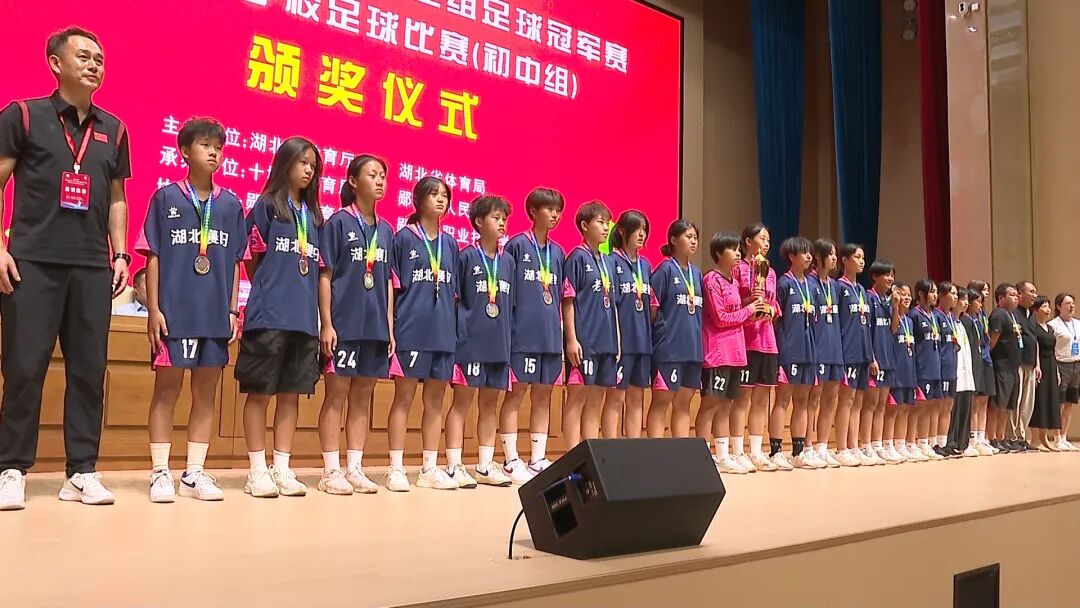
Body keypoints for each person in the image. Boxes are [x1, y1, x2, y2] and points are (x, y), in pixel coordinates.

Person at [0, 27, 133, 510]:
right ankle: (11, 468)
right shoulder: (22, 115)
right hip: (31, 263)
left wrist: (120, 254)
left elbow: (117, 198)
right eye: (84, 56)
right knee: (24, 368)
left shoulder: (115, 129)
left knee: (89, 373)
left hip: (92, 268)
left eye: (100, 58)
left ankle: (81, 472)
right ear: (55, 64)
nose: (95, 64)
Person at [138, 117, 246, 502]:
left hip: (214, 317)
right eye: (205, 145)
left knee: (206, 393)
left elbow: (236, 262)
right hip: (174, 314)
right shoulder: (166, 198)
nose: (214, 153)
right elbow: (153, 255)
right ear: (184, 151)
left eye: (218, 147)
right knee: (167, 390)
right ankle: (160, 472)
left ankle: (194, 473)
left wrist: (232, 311)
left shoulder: (230, 205)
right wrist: (154, 309)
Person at [237, 137, 324, 498]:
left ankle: (282, 468)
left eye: (313, 165)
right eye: (302, 162)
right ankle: (257, 470)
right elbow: (251, 258)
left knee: (291, 395)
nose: (308, 170)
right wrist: (270, 289)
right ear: (285, 163)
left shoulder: (314, 216)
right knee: (260, 394)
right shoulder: (267, 206)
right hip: (269, 316)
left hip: (303, 320)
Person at [315, 155, 394, 495]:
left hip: (375, 328)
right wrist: (327, 324)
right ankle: (330, 470)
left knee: (363, 398)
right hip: (343, 325)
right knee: (336, 395)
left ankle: (355, 468)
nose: (380, 181)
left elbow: (387, 281)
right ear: (352, 181)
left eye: (383, 176)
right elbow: (325, 275)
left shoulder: (386, 230)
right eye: (372, 175)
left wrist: (389, 328)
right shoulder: (338, 223)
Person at [386, 176, 459, 491]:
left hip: (442, 333)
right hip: (411, 331)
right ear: (417, 200)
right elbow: (392, 288)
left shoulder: (451, 244)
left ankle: (429, 467)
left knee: (435, 401)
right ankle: (396, 467)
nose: (441, 199)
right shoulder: (403, 238)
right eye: (433, 194)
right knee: (403, 398)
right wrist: (391, 330)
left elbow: (454, 293)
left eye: (445, 195)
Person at [444, 195, 515, 488]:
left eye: (504, 218)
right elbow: (454, 300)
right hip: (470, 343)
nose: (501, 223)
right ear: (478, 222)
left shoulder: (508, 261)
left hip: (499, 344)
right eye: (495, 217)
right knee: (462, 402)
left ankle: (485, 465)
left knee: (490, 404)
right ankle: (454, 465)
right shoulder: (465, 257)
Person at [499, 188, 565, 483]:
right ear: (533, 211)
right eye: (549, 209)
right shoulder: (516, 246)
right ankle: (510, 459)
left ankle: (537, 458)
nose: (554, 215)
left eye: (558, 210)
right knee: (516, 394)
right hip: (521, 335)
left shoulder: (558, 252)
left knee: (543, 395)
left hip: (549, 337)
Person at [701, 232, 762, 474]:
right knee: (710, 404)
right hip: (717, 352)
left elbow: (738, 315)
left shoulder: (734, 282)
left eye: (738, 249)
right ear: (718, 253)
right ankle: (702, 456)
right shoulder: (711, 280)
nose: (738, 253)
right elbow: (720, 318)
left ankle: (723, 456)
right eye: (732, 249)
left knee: (726, 404)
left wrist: (754, 309)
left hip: (736, 352)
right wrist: (749, 310)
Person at [562, 201, 618, 447]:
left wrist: (617, 343)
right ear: (585, 226)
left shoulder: (608, 262)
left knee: (597, 398)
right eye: (600, 222)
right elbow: (568, 301)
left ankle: (591, 453)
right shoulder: (576, 257)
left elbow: (612, 304)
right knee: (577, 398)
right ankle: (573, 454)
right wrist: (572, 340)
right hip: (585, 342)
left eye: (607, 223)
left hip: (607, 342)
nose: (606, 228)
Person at [647, 220, 704, 439]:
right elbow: (652, 309)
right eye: (688, 237)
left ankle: (681, 451)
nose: (693, 241)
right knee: (662, 401)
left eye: (695, 237)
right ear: (673, 240)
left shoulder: (696, 273)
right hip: (669, 349)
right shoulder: (665, 270)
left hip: (693, 349)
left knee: (684, 403)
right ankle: (657, 451)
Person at [732, 224, 780, 472]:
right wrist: (749, 301)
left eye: (769, 239)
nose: (767, 243)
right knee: (742, 398)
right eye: (762, 238)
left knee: (762, 399)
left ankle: (756, 450)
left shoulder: (770, 272)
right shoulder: (737, 268)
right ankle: (737, 451)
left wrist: (770, 310)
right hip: (746, 339)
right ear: (748, 241)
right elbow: (732, 301)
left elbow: (775, 304)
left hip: (767, 341)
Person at [605, 211, 654, 439]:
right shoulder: (611, 261)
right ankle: (610, 449)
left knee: (637, 398)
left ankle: (633, 448)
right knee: (616, 397)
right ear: (623, 231)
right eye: (637, 229)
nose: (642, 234)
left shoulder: (646, 265)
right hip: (621, 344)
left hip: (642, 343)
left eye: (645, 229)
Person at [771, 236, 815, 470]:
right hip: (789, 350)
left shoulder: (811, 286)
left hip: (808, 351)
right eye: (803, 252)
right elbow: (777, 319)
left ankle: (798, 452)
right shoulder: (783, 284)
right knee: (783, 399)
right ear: (791, 257)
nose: (809, 256)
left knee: (803, 401)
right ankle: (776, 451)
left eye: (810, 252)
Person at [836, 244, 876, 466]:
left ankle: (854, 446)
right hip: (847, 352)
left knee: (858, 400)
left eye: (863, 257)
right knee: (846, 399)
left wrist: (871, 356)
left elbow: (867, 326)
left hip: (863, 352)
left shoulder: (861, 290)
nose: (861, 261)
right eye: (857, 257)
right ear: (844, 260)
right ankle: (842, 448)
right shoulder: (839, 288)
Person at [807, 239, 842, 468]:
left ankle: (822, 446)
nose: (834, 258)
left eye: (835, 254)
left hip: (835, 349)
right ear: (818, 257)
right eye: (830, 254)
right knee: (814, 399)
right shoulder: (809, 284)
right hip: (817, 349)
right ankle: (807, 446)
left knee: (831, 398)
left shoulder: (835, 286)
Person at [866, 260, 900, 463]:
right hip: (875, 359)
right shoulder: (869, 298)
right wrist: (871, 358)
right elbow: (865, 331)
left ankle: (878, 445)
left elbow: (894, 329)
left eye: (892, 275)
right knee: (870, 404)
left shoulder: (888, 302)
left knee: (881, 405)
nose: (890, 279)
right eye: (886, 275)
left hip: (888, 358)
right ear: (874, 277)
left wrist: (895, 307)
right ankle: (866, 445)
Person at [911, 279, 944, 460]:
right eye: (932, 292)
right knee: (920, 407)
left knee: (932, 405)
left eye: (936, 292)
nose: (935, 295)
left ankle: (930, 442)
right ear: (921, 294)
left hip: (935, 367)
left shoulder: (935, 316)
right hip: (922, 367)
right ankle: (919, 442)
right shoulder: (914, 315)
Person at [888, 283, 920, 461]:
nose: (907, 298)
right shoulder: (893, 317)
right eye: (902, 294)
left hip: (909, 369)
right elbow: (893, 330)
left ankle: (901, 444)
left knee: (906, 408)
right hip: (897, 369)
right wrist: (894, 308)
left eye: (909, 295)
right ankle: (888, 444)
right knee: (894, 409)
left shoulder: (909, 321)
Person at [988, 283, 1022, 453]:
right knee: (997, 405)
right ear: (1001, 298)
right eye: (1012, 294)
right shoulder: (998, 315)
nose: (1016, 297)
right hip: (1002, 367)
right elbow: (992, 342)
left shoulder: (1012, 316)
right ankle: (992, 437)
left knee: (1008, 406)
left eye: (1017, 295)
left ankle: (1002, 437)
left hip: (1013, 368)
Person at [966, 281, 997, 455]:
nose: (986, 293)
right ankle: (972, 438)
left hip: (986, 359)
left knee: (984, 400)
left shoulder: (983, 314)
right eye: (983, 290)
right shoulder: (967, 318)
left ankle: (981, 436)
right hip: (975, 361)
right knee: (975, 401)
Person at [1029, 296, 1062, 450]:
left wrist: (1057, 371)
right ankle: (1035, 439)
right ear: (1036, 309)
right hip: (1040, 364)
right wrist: (1037, 365)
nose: (1047, 309)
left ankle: (1044, 438)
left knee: (1050, 400)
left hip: (1051, 365)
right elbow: (1035, 347)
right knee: (1039, 400)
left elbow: (1054, 351)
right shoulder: (1033, 327)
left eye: (1048, 306)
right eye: (1044, 306)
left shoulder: (1050, 328)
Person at [1048, 293, 1080, 451]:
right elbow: (1050, 348)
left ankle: (1065, 437)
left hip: (1076, 365)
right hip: (1061, 365)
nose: (1071, 306)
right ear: (1059, 306)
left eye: (1073, 303)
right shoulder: (1053, 325)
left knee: (1069, 403)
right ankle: (1057, 438)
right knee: (1059, 403)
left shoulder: (1078, 324)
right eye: (1067, 303)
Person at [933, 282, 960, 457]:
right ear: (942, 296)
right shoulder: (936, 316)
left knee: (949, 405)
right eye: (953, 293)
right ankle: (933, 442)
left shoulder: (951, 317)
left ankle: (944, 443)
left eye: (957, 294)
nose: (956, 297)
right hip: (941, 367)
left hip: (952, 366)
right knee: (939, 405)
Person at [1012, 280, 1040, 451]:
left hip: (1031, 363)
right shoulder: (1013, 313)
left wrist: (1038, 364)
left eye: (1036, 292)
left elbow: (1034, 341)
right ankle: (1012, 436)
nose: (1034, 295)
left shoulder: (1032, 315)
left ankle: (1022, 436)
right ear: (1020, 294)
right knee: (1016, 401)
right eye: (1031, 292)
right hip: (1017, 363)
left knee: (1027, 403)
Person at [949, 289, 977, 457]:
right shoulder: (949, 321)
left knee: (966, 408)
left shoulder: (962, 323)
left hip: (966, 374)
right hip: (956, 373)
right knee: (955, 410)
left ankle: (963, 443)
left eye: (967, 300)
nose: (966, 303)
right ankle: (952, 442)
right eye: (962, 299)